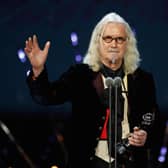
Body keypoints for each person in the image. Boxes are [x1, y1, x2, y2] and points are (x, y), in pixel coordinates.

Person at [24, 12, 160, 168]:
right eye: (108, 38)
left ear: (128, 44)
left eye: (120, 39)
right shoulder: (80, 75)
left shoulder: (143, 80)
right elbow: (46, 97)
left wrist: (146, 136)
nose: (114, 44)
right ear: (98, 42)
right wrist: (38, 69)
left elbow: (155, 122)